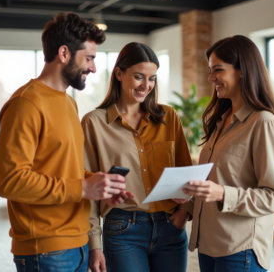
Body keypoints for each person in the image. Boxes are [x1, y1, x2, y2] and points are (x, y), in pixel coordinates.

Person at [0, 12, 129, 272]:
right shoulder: (26, 104)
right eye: (89, 58)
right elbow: (10, 181)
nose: (93, 67)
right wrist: (82, 188)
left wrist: (98, 184)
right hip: (45, 250)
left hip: (76, 243)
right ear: (64, 54)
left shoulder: (68, 102)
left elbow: (64, 169)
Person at [82, 42, 193, 272]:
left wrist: (183, 214)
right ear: (119, 73)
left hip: (170, 227)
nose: (146, 85)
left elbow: (186, 172)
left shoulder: (169, 117)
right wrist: (94, 244)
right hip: (123, 229)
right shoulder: (94, 123)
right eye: (139, 77)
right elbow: (89, 191)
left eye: (152, 78)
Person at [183, 35, 274, 272]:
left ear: (243, 70)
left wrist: (221, 193)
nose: (211, 78)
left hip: (240, 250)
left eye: (218, 70)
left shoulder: (263, 123)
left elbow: (273, 197)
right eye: (210, 70)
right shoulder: (222, 120)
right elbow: (218, 180)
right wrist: (188, 205)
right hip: (209, 244)